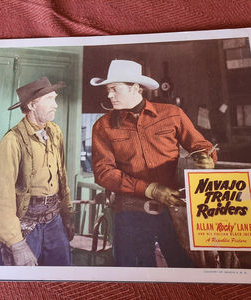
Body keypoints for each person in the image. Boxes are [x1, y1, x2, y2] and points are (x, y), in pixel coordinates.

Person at [90, 59, 217, 267]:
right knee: (134, 275)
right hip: (129, 215)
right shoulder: (102, 126)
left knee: (184, 268)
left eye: (114, 89)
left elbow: (201, 145)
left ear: (136, 88)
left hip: (173, 213)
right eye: (107, 90)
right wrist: (150, 189)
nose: (109, 95)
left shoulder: (172, 114)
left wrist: (206, 157)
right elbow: (104, 172)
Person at [0, 77, 74, 266]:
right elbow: (2, 196)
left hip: (54, 217)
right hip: (24, 222)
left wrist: (66, 214)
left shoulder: (55, 131)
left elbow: (62, 176)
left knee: (61, 279)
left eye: (55, 98)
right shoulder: (12, 141)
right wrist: (17, 244)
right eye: (50, 99)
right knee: (21, 285)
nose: (56, 105)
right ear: (32, 105)